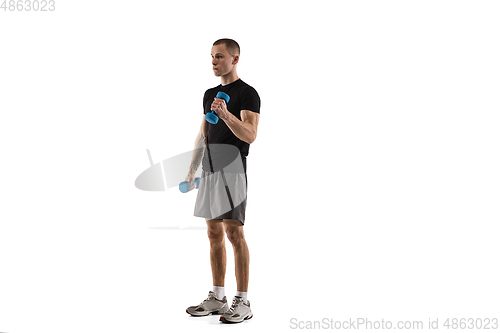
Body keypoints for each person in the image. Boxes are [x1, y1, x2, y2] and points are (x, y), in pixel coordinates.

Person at [184, 38, 260, 324]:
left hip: (233, 169)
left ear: (235, 59)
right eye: (212, 57)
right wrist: (192, 169)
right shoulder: (209, 94)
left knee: (234, 234)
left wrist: (226, 114)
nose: (214, 61)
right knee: (213, 233)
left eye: (219, 56)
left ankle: (243, 301)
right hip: (210, 169)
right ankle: (218, 297)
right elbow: (203, 133)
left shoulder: (247, 94)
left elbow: (250, 135)